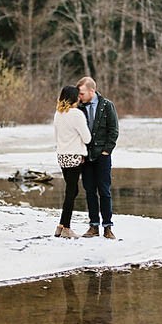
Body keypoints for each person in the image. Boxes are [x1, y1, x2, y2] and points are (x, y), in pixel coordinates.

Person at [76, 76, 119, 239]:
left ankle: (107, 227)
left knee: (104, 191)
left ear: (91, 91)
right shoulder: (79, 108)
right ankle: (93, 226)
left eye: (82, 93)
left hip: (102, 156)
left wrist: (106, 151)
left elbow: (113, 130)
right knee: (89, 191)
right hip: (86, 157)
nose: (79, 96)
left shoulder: (107, 106)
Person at [53, 85, 92, 239]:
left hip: (62, 156)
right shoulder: (76, 114)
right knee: (71, 191)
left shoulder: (58, 114)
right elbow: (87, 138)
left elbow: (56, 136)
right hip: (74, 156)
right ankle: (66, 228)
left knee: (72, 190)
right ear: (74, 98)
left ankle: (61, 225)